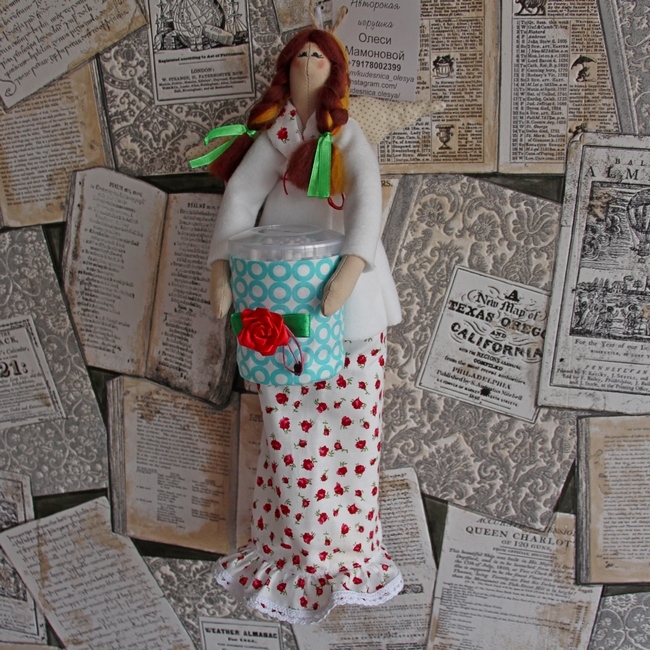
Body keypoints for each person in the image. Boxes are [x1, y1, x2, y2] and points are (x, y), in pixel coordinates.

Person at [200, 26, 403, 624]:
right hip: (277, 294)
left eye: (319, 56)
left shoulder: (346, 135)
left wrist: (352, 265)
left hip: (350, 307)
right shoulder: (279, 135)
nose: (309, 63)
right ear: (285, 70)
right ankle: (289, 550)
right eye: (300, 56)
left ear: (335, 70)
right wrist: (221, 268)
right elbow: (241, 197)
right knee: (287, 437)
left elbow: (366, 198)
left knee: (354, 431)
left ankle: (347, 553)